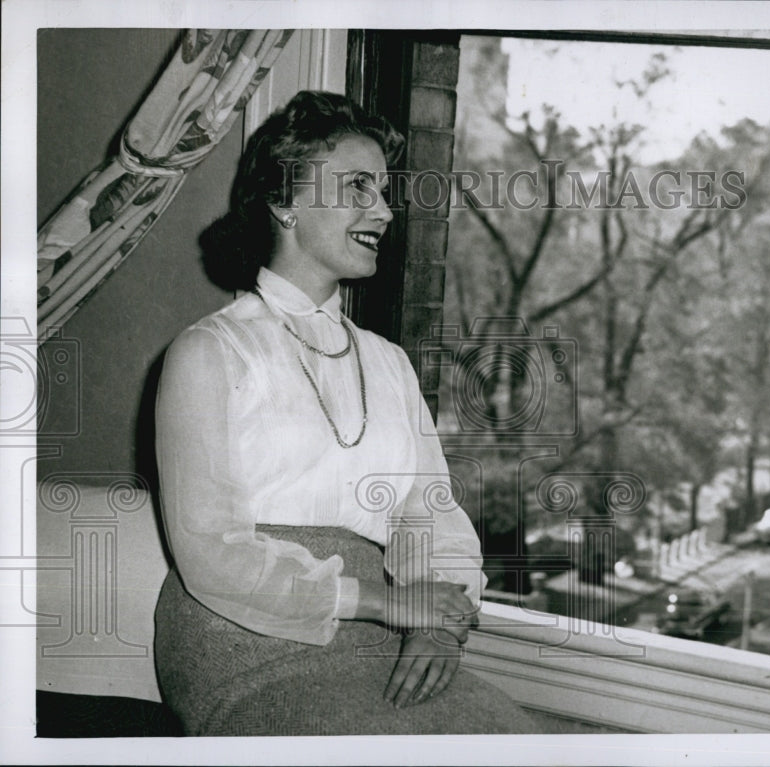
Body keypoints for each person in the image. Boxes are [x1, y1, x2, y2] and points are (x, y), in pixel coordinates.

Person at [153, 91, 540, 735]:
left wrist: (441, 624)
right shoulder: (209, 351)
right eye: (358, 186)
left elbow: (430, 512)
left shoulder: (387, 361)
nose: (384, 212)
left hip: (381, 630)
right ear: (285, 203)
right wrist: (390, 604)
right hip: (242, 635)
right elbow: (211, 552)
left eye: (383, 191)